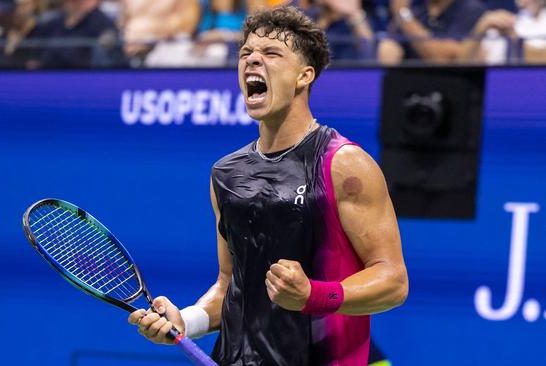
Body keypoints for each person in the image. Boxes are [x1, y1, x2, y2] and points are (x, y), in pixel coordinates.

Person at [128, 6, 408, 366]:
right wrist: (188, 320)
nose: (251, 61)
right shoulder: (225, 174)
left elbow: (393, 280)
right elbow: (231, 285)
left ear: (304, 76)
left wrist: (313, 295)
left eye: (271, 54)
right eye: (245, 54)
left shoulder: (343, 163)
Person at [378, 0, 487, 64]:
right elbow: (391, 46)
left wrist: (403, 15)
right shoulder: (418, 9)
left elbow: (449, 59)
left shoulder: (470, 9)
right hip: (410, 86)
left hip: (451, 87)